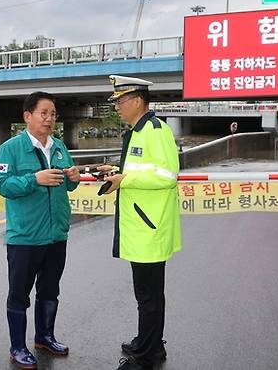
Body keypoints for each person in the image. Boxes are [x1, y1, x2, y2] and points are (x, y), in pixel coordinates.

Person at [97, 75, 182, 370]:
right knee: (147, 294)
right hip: (141, 227)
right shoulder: (138, 131)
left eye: (120, 101)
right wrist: (116, 170)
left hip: (150, 228)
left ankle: (146, 356)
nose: (117, 107)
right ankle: (150, 343)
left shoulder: (156, 131)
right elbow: (143, 168)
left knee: (148, 296)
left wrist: (126, 179)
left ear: (136, 100)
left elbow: (168, 176)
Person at [0, 91, 81, 369]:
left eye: (53, 113)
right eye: (44, 113)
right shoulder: (11, 148)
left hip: (56, 234)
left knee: (50, 290)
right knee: (19, 293)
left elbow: (67, 185)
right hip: (26, 236)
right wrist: (34, 179)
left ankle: (44, 337)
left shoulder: (58, 147)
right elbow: (3, 184)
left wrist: (73, 179)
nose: (49, 118)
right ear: (27, 116)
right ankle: (17, 347)